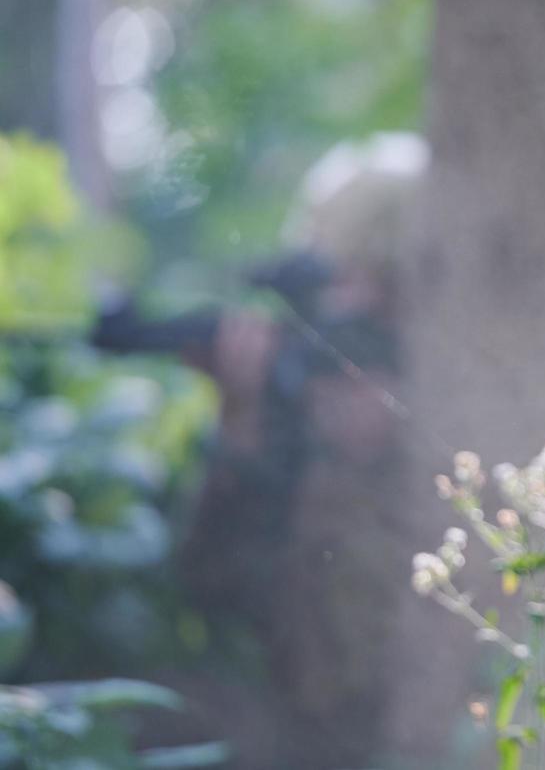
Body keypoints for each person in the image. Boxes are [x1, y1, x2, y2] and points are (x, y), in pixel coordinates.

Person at [92, 131, 427, 769]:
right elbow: (212, 588)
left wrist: (367, 455)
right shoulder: (293, 387)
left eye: (370, 280)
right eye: (338, 281)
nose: (346, 314)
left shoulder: (454, 396)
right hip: (293, 715)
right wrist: (241, 428)